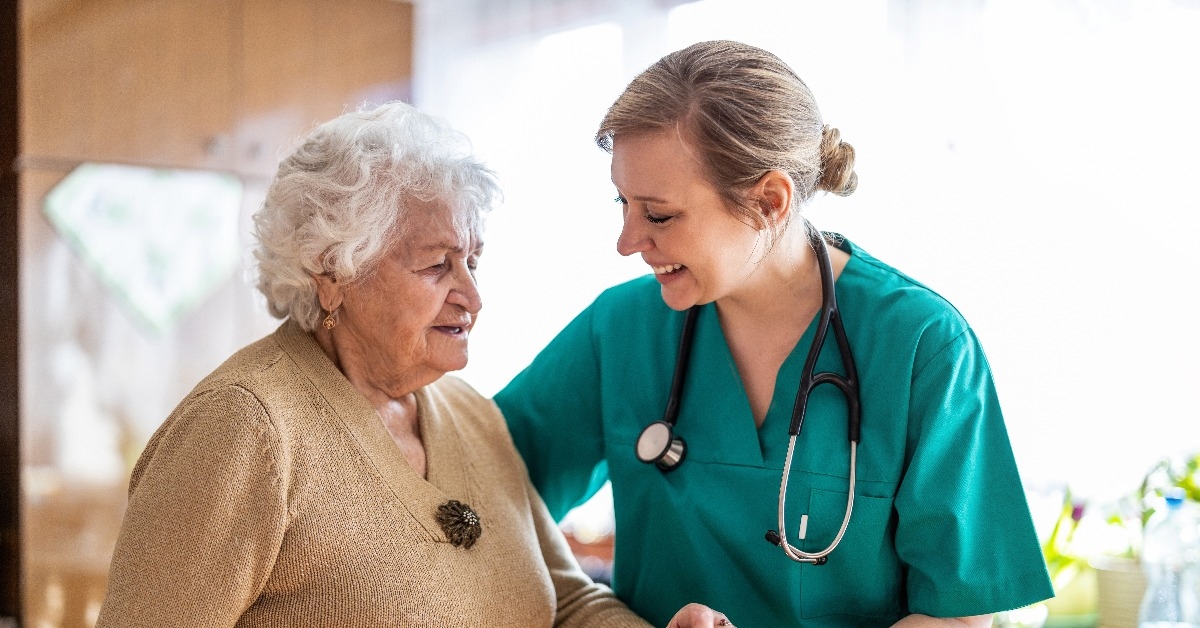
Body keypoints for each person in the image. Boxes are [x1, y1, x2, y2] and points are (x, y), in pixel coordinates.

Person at [96, 101, 724, 627]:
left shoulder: (469, 414)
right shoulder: (246, 427)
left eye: (472, 262)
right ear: (334, 272)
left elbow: (565, 603)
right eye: (435, 265)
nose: (472, 296)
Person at [496, 40, 1055, 626]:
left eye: (658, 214)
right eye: (623, 203)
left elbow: (957, 614)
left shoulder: (921, 346)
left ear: (768, 200)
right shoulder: (619, 331)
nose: (627, 241)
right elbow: (480, 478)